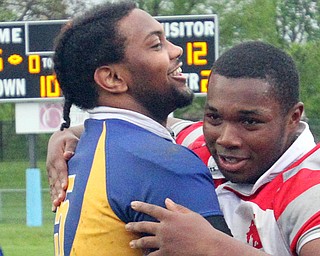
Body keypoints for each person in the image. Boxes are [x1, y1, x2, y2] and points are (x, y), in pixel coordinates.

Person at [47, 41, 320, 255]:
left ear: (293, 117)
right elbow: (130, 127)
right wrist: (64, 136)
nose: (225, 138)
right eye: (213, 117)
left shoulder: (311, 190)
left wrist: (215, 247)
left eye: (249, 121)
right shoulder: (198, 143)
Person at [51, 1, 230, 256]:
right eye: (156, 44)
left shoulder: (85, 148)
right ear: (113, 79)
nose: (176, 50)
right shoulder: (162, 164)